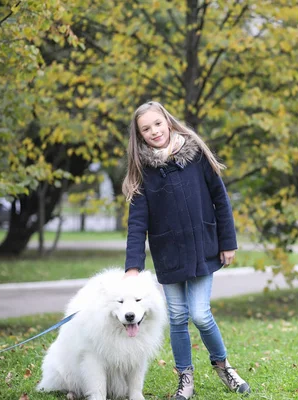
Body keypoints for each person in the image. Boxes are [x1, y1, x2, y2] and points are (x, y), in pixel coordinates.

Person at [122, 101, 250, 399]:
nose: (154, 131)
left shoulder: (195, 154)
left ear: (167, 122)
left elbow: (220, 198)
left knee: (201, 315)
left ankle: (223, 366)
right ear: (139, 136)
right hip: (169, 255)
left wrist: (228, 242)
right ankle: (185, 377)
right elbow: (137, 224)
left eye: (157, 124)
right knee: (178, 317)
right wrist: (132, 267)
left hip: (204, 248)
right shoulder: (143, 171)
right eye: (146, 129)